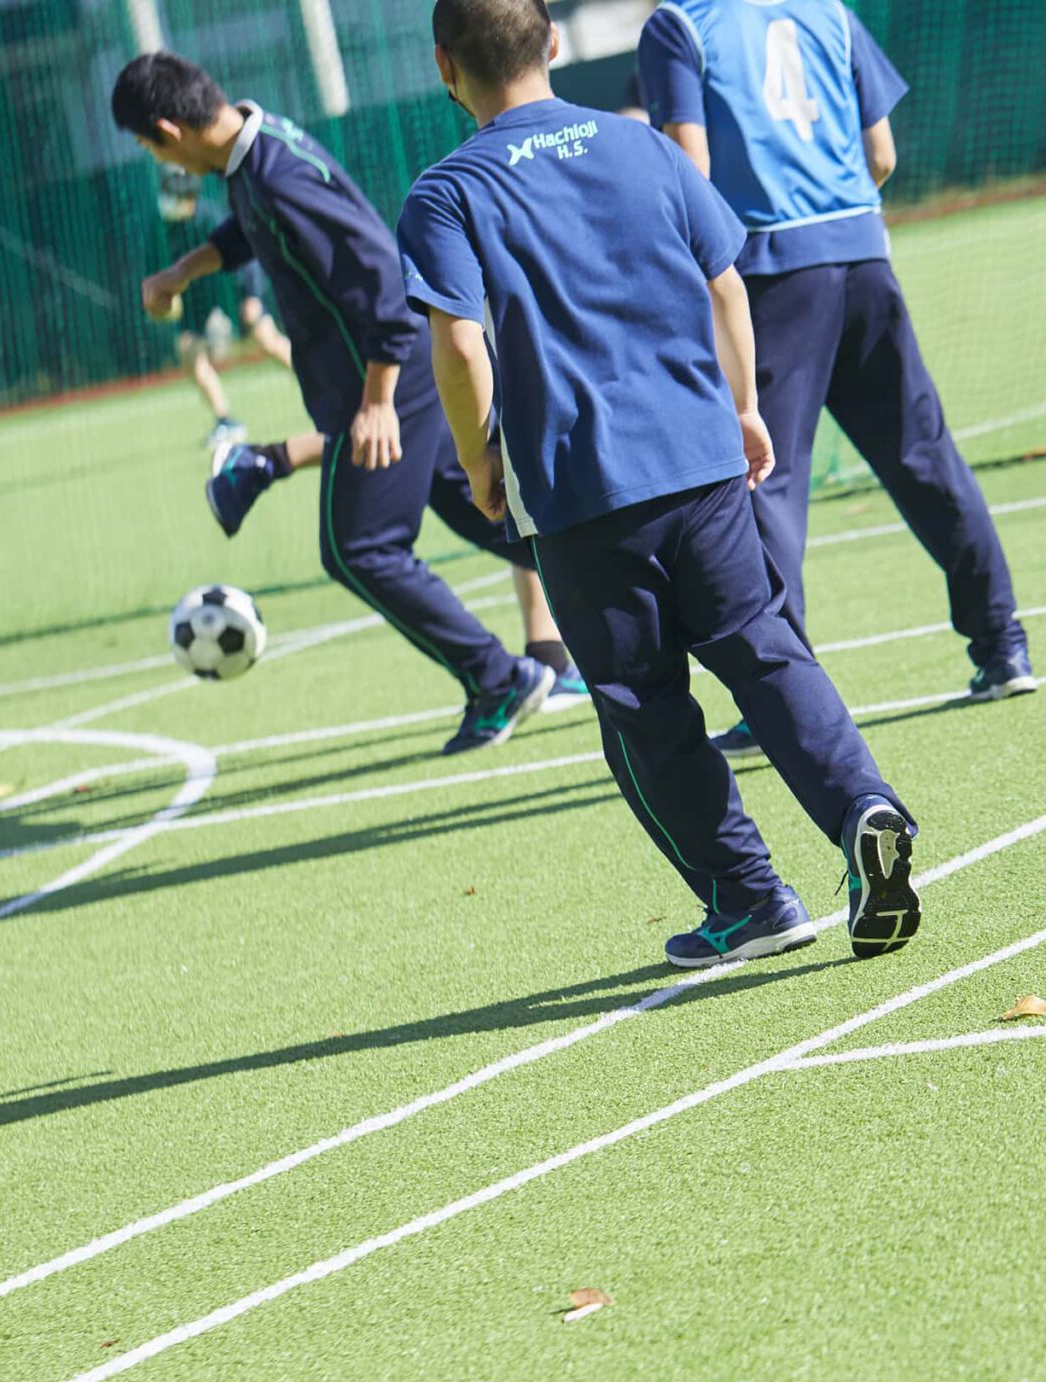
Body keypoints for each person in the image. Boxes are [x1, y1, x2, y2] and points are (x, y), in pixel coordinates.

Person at [399, 0, 921, 968]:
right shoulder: (640, 147)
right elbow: (725, 279)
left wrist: (479, 460)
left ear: (445, 68)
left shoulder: (446, 193)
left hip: (580, 489)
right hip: (701, 459)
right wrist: (744, 408)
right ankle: (863, 807)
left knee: (642, 709)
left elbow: (458, 345)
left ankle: (750, 899)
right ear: (551, 43)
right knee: (764, 652)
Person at [113, 51, 574, 754]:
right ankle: (635, 603)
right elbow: (247, 232)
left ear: (169, 131)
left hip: (390, 376)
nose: (155, 159)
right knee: (488, 514)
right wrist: (183, 270)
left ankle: (498, 678)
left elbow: (381, 284)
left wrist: (377, 401)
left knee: (358, 548)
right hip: (392, 374)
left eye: (148, 146)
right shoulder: (253, 154)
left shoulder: (277, 177)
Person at [636, 0, 1036, 758]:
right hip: (863, 256)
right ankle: (1002, 643)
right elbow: (879, 153)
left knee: (764, 485)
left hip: (773, 278)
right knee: (924, 454)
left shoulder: (678, 26)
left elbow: (692, 177)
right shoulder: (827, 12)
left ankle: (782, 703)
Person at [157, 162, 295, 449]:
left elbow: (247, 255)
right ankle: (226, 420)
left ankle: (322, 383)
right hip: (199, 294)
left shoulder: (211, 218)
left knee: (265, 338)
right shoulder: (163, 227)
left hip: (233, 285)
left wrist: (251, 298)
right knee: (187, 350)